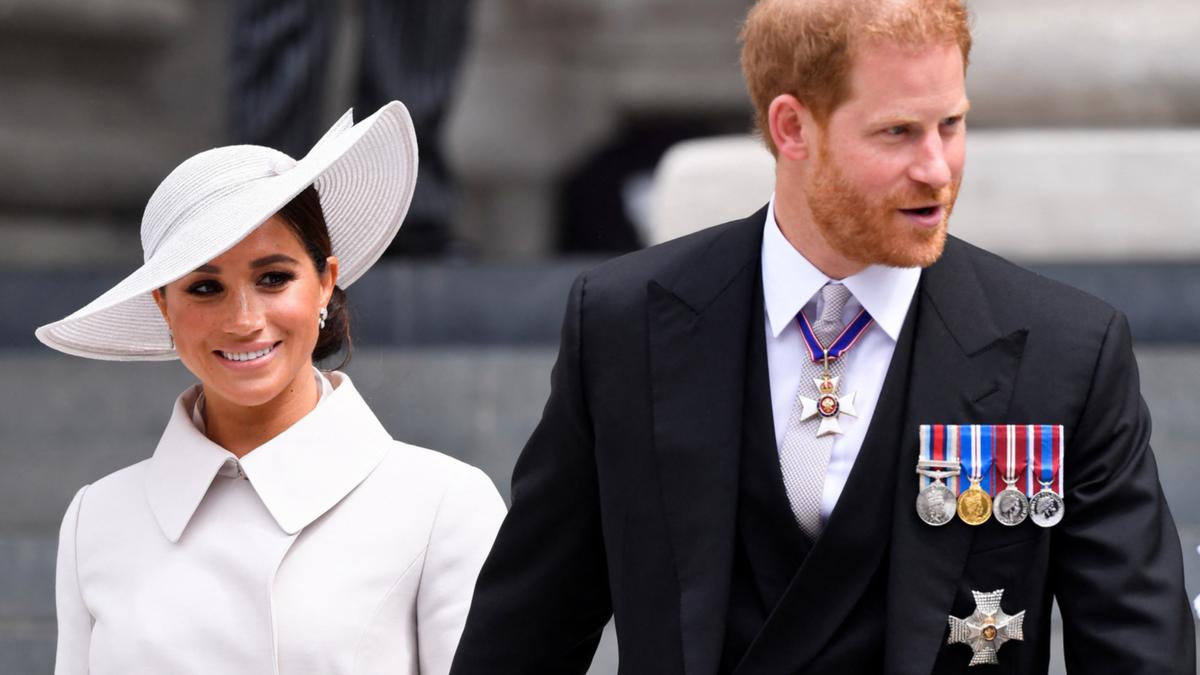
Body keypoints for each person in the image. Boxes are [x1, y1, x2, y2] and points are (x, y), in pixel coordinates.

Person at [449, 1, 1196, 673]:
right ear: (792, 127)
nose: (937, 167)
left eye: (952, 124)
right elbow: (524, 637)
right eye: (898, 131)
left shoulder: (1067, 350)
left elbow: (1140, 654)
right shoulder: (624, 323)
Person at [37, 102, 506, 675]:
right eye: (205, 287)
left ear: (326, 282)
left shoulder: (443, 504)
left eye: (273, 278)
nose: (243, 319)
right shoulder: (97, 520)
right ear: (164, 306)